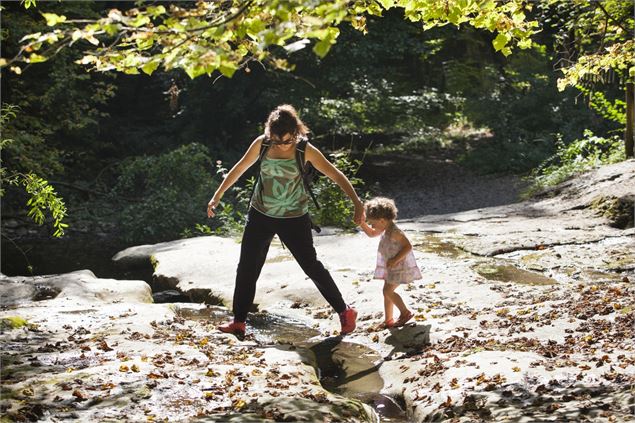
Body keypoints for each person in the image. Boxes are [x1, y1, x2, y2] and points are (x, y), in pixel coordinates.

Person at [207, 104, 363, 338]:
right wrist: (217, 195)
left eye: (287, 140)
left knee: (310, 265)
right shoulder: (262, 143)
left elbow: (335, 174)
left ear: (296, 133)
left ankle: (345, 311)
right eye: (278, 141)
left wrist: (357, 203)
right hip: (260, 214)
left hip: (294, 218)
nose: (282, 145)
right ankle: (239, 321)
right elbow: (239, 168)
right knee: (247, 268)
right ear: (270, 133)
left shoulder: (305, 149)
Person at [359, 197, 421, 329]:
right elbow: (371, 233)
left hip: (399, 266)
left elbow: (408, 246)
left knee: (388, 291)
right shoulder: (385, 228)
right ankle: (388, 320)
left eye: (372, 223)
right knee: (386, 291)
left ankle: (405, 313)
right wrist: (362, 224)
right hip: (391, 267)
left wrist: (395, 259)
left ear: (382, 220)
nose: (372, 226)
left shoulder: (395, 232)